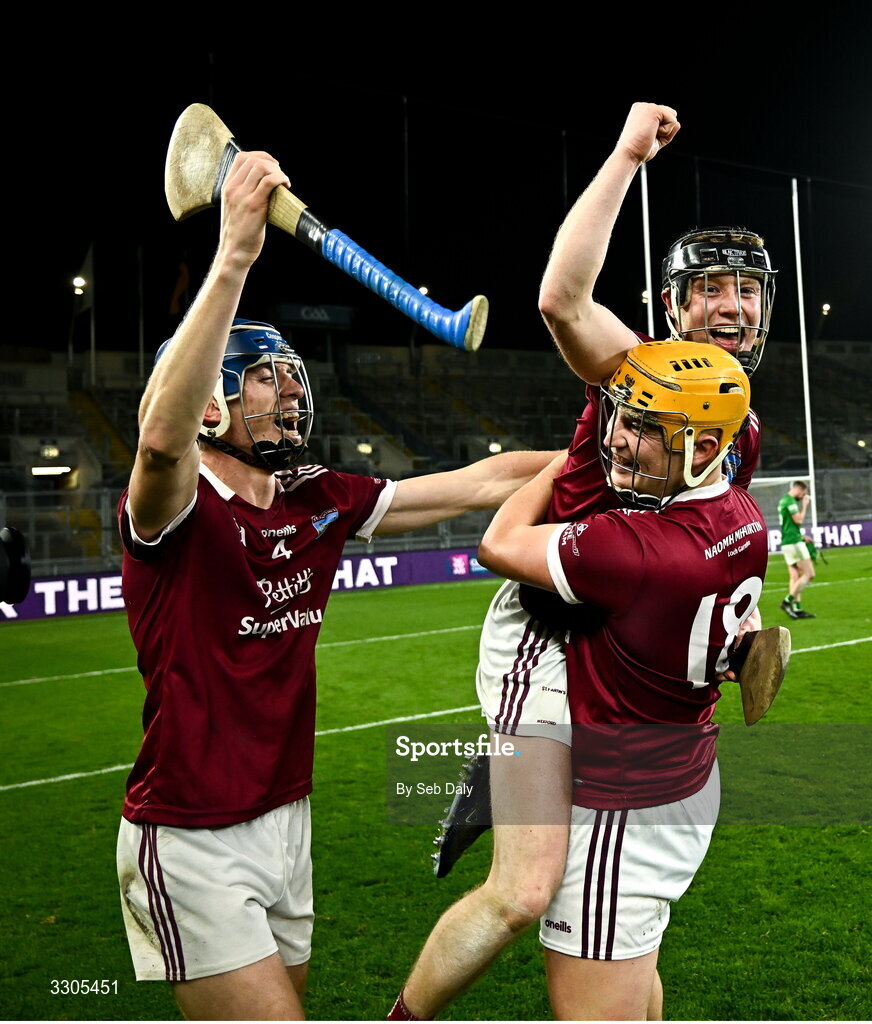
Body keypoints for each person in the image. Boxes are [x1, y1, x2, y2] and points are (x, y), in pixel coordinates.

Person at [114, 146, 557, 1022]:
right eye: (262, 379)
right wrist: (234, 252)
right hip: (191, 833)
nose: (288, 392)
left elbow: (481, 482)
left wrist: (614, 457)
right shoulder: (175, 502)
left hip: (286, 816)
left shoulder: (317, 496)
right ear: (210, 404)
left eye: (290, 374)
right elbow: (159, 439)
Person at [389, 102, 778, 1021]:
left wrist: (741, 632)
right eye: (709, 288)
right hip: (551, 633)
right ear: (672, 307)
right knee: (530, 892)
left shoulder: (734, 416)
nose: (731, 305)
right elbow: (561, 298)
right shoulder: (632, 367)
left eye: (747, 289)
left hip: (624, 640)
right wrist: (626, 154)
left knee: (629, 908)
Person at [475, 340, 769, 1020]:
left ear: (701, 449)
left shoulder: (629, 547)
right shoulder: (745, 519)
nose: (615, 439)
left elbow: (498, 543)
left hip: (623, 810)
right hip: (685, 779)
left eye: (644, 428)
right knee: (638, 988)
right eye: (618, 418)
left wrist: (558, 469)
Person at [778, 480, 816, 618]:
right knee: (809, 574)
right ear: (799, 490)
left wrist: (802, 535)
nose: (803, 497)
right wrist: (805, 506)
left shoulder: (783, 500)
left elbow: (789, 525)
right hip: (794, 543)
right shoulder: (790, 501)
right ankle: (787, 601)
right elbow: (798, 520)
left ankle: (797, 608)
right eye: (803, 494)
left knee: (795, 576)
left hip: (788, 542)